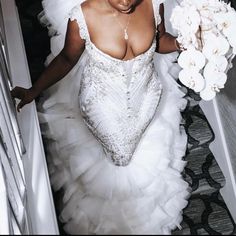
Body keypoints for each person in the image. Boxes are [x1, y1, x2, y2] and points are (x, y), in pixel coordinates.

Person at [11, 0, 191, 234]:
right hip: (102, 106)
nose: (126, 2)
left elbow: (159, 41)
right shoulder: (83, 17)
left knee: (137, 160)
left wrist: (179, 43)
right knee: (115, 164)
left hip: (146, 99)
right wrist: (34, 90)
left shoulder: (154, 4)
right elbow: (67, 59)